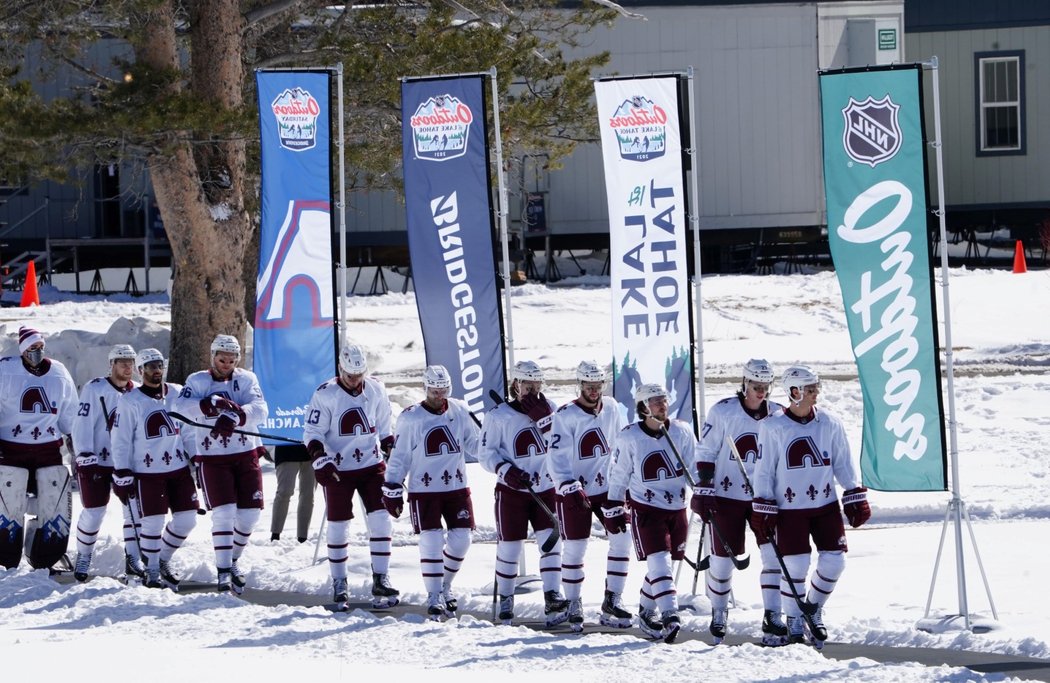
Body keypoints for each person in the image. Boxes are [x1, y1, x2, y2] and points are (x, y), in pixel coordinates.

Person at [751, 365, 871, 645]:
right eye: (811, 388)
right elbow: (764, 470)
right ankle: (793, 620)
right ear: (795, 392)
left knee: (835, 562)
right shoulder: (772, 426)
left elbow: (842, 462)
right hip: (789, 509)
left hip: (825, 505)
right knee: (795, 565)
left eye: (816, 387)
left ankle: (812, 607)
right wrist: (763, 505)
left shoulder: (830, 422)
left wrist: (854, 492)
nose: (816, 392)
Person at [692, 358, 787, 644]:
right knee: (722, 560)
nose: (761, 392)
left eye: (766, 386)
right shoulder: (723, 411)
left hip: (764, 498)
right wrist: (704, 488)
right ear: (745, 383)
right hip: (727, 496)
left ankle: (773, 615)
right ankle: (719, 611)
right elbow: (706, 451)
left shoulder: (779, 415)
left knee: (772, 556)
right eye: (756, 386)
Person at [303, 342, 399, 608]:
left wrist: (391, 446)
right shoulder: (325, 394)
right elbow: (312, 433)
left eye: (359, 375)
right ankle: (339, 582)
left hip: (370, 465)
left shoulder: (376, 388)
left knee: (381, 519)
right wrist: (320, 459)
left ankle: (381, 577)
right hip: (339, 469)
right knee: (338, 524)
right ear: (340, 370)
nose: (355, 381)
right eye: (349, 376)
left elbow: (384, 426)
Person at [382, 365, 479, 620]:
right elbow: (400, 456)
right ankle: (434, 594)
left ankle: (445, 585)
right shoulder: (411, 418)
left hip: (456, 486)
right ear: (425, 389)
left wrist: (494, 445)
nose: (439, 396)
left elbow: (473, 444)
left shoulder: (459, 409)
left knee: (462, 539)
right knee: (432, 540)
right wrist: (392, 485)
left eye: (444, 390)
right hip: (424, 490)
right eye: (435, 391)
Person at [173, 334, 269, 593]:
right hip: (213, 457)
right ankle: (223, 570)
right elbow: (179, 407)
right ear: (212, 356)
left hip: (245, 453)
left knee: (250, 515)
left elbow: (261, 409)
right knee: (224, 513)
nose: (226, 364)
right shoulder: (197, 380)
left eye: (231, 359)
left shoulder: (247, 379)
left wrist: (238, 416)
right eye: (221, 359)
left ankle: (233, 559)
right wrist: (206, 405)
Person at [478, 359, 568, 626]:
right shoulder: (497, 416)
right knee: (510, 547)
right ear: (515, 384)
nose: (533, 389)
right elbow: (485, 454)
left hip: (545, 488)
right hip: (512, 492)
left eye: (537, 383)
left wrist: (546, 421)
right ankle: (505, 600)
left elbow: (562, 447)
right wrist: (506, 470)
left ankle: (553, 598)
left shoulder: (551, 408)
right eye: (527, 384)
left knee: (552, 545)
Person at [607, 383, 696, 644]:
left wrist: (703, 492)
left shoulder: (681, 430)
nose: (662, 405)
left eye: (664, 400)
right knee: (659, 561)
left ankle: (646, 611)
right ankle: (670, 614)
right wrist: (613, 506)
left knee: (665, 564)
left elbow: (693, 466)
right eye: (656, 401)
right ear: (644, 406)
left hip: (676, 507)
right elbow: (620, 474)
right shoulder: (630, 436)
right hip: (646, 508)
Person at [547, 360, 631, 631]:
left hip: (608, 488)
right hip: (575, 490)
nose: (594, 391)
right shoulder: (565, 415)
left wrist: (627, 478)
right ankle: (573, 602)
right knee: (575, 546)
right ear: (579, 385)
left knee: (622, 538)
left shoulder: (613, 408)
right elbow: (556, 457)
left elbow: (623, 443)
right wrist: (567, 484)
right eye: (588, 386)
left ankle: (612, 599)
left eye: (597, 386)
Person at [110, 348, 199, 589]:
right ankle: (151, 571)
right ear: (140, 371)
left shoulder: (178, 393)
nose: (156, 370)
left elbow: (189, 430)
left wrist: (196, 457)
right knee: (152, 522)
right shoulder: (130, 400)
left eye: (159, 365)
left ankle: (162, 559)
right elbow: (121, 440)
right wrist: (122, 471)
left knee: (187, 519)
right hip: (147, 472)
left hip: (178, 468)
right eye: (150, 366)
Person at [0, 326, 78, 570]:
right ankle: (5, 557)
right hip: (10, 449)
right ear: (22, 349)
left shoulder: (59, 372)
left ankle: (47, 555)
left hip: (47, 449)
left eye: (40, 346)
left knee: (53, 497)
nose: (37, 351)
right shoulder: (5, 369)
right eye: (32, 347)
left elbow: (70, 413)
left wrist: (75, 439)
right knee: (9, 503)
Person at [71, 344, 144, 582]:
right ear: (111, 364)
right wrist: (84, 454)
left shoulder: (138, 393)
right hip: (97, 461)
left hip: (125, 463)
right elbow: (81, 423)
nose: (127, 366)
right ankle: (84, 556)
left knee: (133, 511)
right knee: (94, 511)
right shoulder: (95, 388)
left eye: (130, 362)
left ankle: (133, 559)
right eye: (121, 361)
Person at [269, 444, 314, 543]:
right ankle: (275, 534)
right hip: (286, 451)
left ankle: (303, 537)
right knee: (284, 491)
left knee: (308, 495)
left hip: (312, 451)